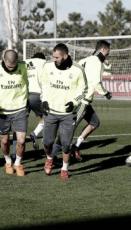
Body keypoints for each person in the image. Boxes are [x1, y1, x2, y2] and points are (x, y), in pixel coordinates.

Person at [52, 40, 112, 162]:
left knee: (94, 122)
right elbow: (96, 82)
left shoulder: (83, 60)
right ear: (103, 50)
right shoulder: (98, 62)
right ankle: (53, 154)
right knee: (70, 127)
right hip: (82, 101)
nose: (108, 53)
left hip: (78, 98)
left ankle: (76, 146)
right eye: (108, 51)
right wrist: (105, 93)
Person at [41, 43, 88, 179]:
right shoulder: (47, 67)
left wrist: (74, 102)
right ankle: (49, 158)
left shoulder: (78, 69)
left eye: (57, 57)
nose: (54, 59)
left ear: (65, 56)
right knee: (47, 143)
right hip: (50, 111)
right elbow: (43, 83)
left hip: (68, 114)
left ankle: (64, 168)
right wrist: (43, 100)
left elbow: (83, 89)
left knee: (66, 144)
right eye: (53, 56)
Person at [0, 49, 29, 177]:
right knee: (4, 141)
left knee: (21, 141)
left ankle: (18, 163)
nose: (11, 69)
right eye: (9, 67)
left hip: (20, 108)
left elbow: (26, 82)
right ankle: (8, 161)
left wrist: (28, 98)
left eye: (13, 67)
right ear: (4, 60)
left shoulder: (23, 66)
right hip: (1, 110)